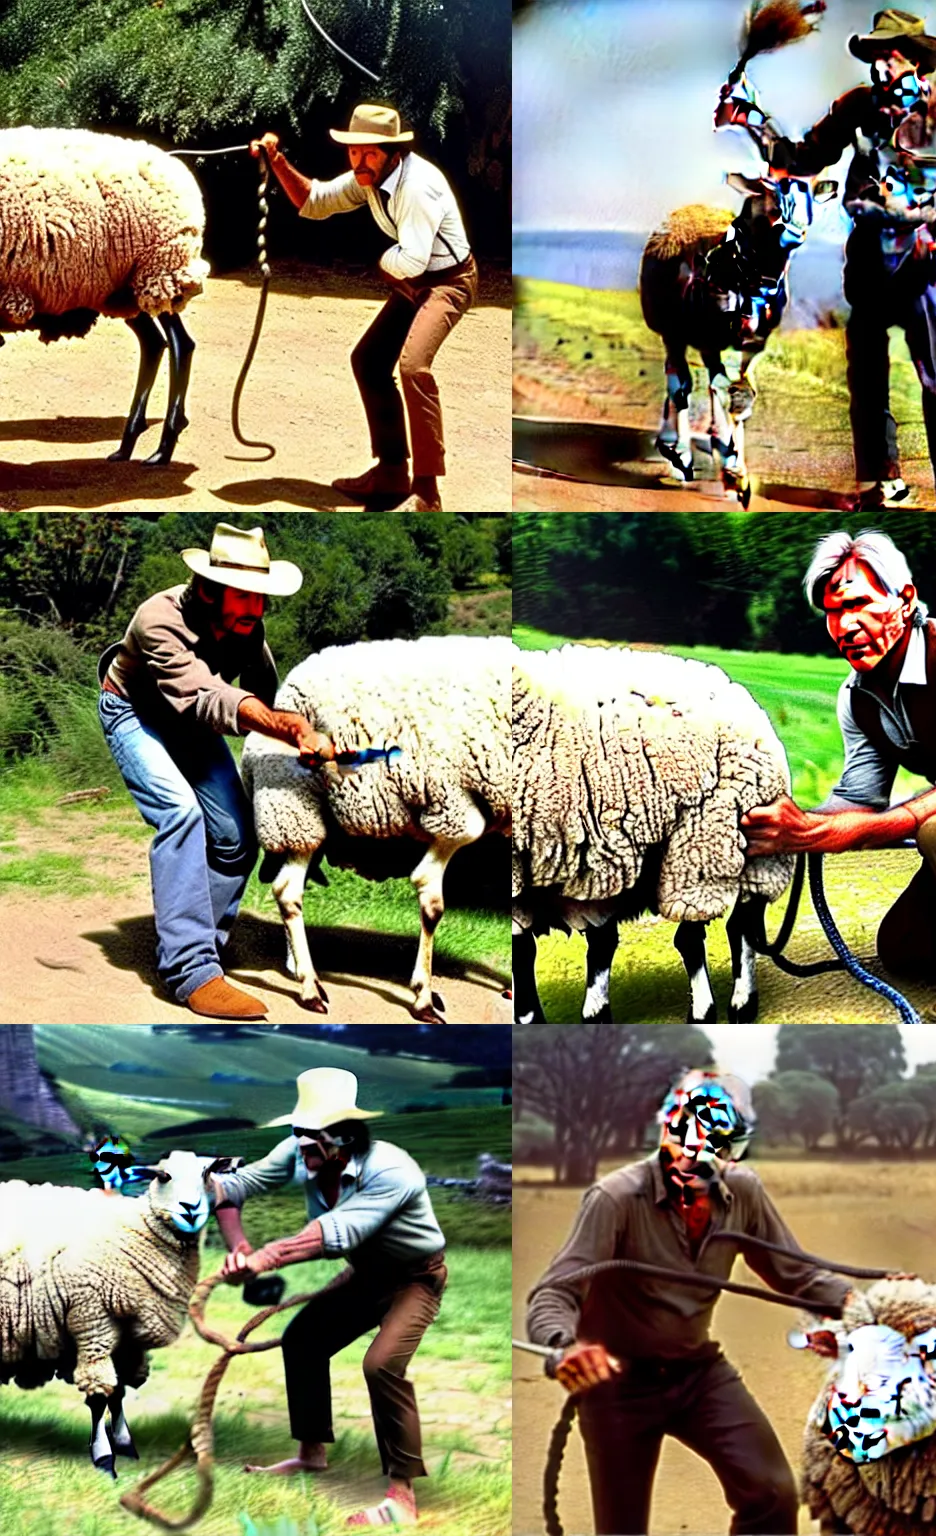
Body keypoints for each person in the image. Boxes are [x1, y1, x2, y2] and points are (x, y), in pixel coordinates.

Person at [524, 1069, 855, 1536]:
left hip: (698, 1374)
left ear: (735, 1150)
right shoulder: (615, 1198)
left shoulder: (743, 1192)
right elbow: (555, 1291)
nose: (696, 1155)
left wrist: (863, 1305)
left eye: (717, 1144)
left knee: (773, 1493)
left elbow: (796, 1272)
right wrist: (564, 1346)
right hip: (618, 1384)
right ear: (666, 1128)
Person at [741, 529, 936, 1020]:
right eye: (832, 612)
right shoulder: (856, 696)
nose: (845, 625)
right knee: (904, 949)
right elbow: (858, 798)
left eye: (859, 604)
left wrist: (826, 833)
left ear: (904, 599)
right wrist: (784, 824)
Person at [763, 9, 936, 509]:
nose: (878, 67)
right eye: (873, 57)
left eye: (888, 56)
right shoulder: (857, 106)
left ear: (917, 63)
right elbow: (806, 155)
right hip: (867, 261)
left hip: (922, 265)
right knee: (867, 380)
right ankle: (882, 482)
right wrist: (753, 122)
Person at [97, 524, 332, 1021]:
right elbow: (206, 694)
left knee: (236, 835)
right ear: (207, 589)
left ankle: (204, 942)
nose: (255, 608)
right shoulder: (157, 619)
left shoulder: (249, 628)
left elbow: (266, 699)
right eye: (244, 596)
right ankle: (192, 973)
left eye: (261, 598)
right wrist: (281, 724)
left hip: (189, 724)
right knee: (181, 816)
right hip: (134, 714)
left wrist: (304, 743)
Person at [213, 1068, 448, 1530]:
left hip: (415, 1280)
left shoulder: (391, 1169)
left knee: (381, 1365)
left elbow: (334, 1234)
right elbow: (230, 1189)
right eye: (298, 1132)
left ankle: (402, 1498)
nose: (300, 1144)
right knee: (303, 1339)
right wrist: (237, 1247)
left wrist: (262, 1259)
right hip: (364, 1276)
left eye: (311, 1135)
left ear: (343, 1138)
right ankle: (310, 1455)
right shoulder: (298, 1151)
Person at [250, 104, 477, 512]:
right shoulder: (368, 178)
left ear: (392, 152)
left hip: (448, 281)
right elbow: (315, 201)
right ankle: (391, 473)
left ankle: (426, 492)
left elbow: (412, 262)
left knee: (413, 367)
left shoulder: (417, 186)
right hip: (415, 280)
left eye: (369, 153)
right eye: (354, 152)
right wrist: (277, 161)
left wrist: (381, 265)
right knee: (370, 361)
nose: (359, 160)